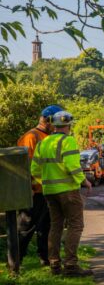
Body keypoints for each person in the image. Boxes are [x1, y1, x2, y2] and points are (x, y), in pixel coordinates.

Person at [30, 110, 93, 276]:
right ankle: (71, 265)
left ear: (54, 125)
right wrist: (84, 181)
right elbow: (72, 166)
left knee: (55, 226)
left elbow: (34, 169)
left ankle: (54, 264)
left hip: (49, 192)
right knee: (75, 225)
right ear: (68, 125)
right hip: (68, 192)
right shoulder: (69, 141)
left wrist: (46, 183)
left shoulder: (43, 143)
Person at [17, 104, 63, 266]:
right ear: (48, 120)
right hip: (33, 192)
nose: (58, 125)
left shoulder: (46, 137)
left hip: (45, 191)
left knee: (46, 227)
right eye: (56, 121)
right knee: (26, 227)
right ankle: (15, 261)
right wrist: (28, 187)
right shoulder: (32, 137)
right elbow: (24, 166)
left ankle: (45, 259)